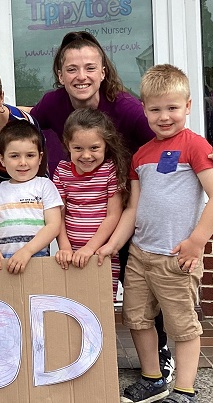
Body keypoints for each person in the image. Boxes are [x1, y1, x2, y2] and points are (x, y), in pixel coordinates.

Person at [26, 30, 213, 381]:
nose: (82, 76)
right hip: (93, 209)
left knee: (153, 297)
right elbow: (26, 120)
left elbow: (172, 132)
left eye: (90, 67)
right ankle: (86, 360)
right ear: (60, 75)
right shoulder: (53, 104)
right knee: (128, 297)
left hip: (122, 204)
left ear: (103, 71)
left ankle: (165, 362)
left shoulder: (127, 108)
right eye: (72, 69)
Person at [97, 64, 213, 403]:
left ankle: (184, 390)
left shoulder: (196, 146)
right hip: (140, 254)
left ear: (187, 106)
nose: (164, 116)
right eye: (155, 109)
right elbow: (132, 210)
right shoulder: (140, 155)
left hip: (177, 257)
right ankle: (153, 379)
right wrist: (113, 246)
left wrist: (196, 242)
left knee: (182, 326)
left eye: (172, 107)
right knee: (137, 319)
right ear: (144, 110)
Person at [53, 108, 130, 300]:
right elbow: (58, 215)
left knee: (101, 306)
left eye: (94, 148)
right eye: (78, 148)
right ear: (67, 145)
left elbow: (114, 215)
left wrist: (90, 248)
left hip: (101, 255)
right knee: (72, 304)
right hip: (69, 256)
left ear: (106, 145)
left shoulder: (110, 170)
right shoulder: (62, 171)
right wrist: (64, 246)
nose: (86, 155)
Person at [0, 119, 62, 274]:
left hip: (37, 260)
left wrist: (27, 251)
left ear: (40, 157)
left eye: (30, 155)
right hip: (1, 264)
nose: (23, 162)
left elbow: (53, 225)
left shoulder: (45, 186)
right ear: (2, 160)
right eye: (14, 156)